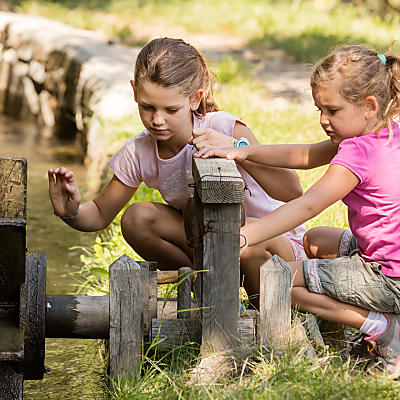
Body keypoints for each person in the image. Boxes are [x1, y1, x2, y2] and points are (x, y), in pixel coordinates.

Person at [48, 37, 306, 308]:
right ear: (135, 92)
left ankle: (266, 308)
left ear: (195, 99)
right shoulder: (140, 152)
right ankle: (206, 287)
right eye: (147, 107)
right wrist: (70, 210)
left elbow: (291, 190)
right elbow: (100, 214)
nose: (157, 120)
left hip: (273, 245)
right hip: (218, 244)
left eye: (171, 110)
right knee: (137, 218)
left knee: (242, 241)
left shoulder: (223, 127)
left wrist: (237, 148)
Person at [195, 44, 400, 378]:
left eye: (331, 110)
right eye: (319, 109)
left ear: (369, 106)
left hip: (389, 279)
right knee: (317, 241)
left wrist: (246, 236)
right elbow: (303, 155)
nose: (323, 120)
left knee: (278, 282)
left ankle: (383, 327)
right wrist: (243, 151)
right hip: (390, 262)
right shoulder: (385, 131)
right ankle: (350, 313)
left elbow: (308, 204)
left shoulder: (357, 153)